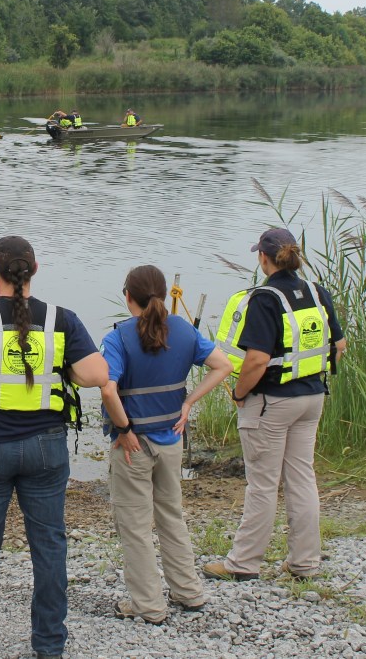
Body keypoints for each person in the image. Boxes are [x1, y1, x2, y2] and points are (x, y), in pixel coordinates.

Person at [0, 236, 109, 659]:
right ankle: (49, 645)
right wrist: (63, 367)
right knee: (49, 546)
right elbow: (97, 374)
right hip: (47, 448)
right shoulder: (62, 320)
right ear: (35, 269)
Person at [204, 228, 346, 582]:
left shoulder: (264, 299)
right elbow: (339, 346)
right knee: (302, 478)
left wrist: (239, 394)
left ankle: (242, 563)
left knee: (263, 484)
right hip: (312, 396)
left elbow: (256, 360)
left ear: (263, 258)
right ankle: (305, 563)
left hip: (271, 401)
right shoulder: (316, 291)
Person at [98, 265, 234, 624]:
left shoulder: (118, 338)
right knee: (172, 516)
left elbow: (108, 389)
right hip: (172, 440)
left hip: (133, 446)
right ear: (161, 295)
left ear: (128, 296)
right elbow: (223, 365)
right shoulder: (185, 330)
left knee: (135, 526)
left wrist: (123, 429)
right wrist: (188, 404)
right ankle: (188, 592)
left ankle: (149, 606)